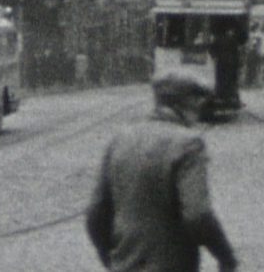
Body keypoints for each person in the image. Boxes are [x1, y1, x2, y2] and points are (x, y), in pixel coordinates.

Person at [85, 71, 238, 272]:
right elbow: (198, 215)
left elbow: (96, 213)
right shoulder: (188, 143)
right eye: (197, 103)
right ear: (186, 104)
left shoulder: (120, 139)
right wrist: (225, 257)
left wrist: (110, 258)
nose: (199, 111)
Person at [208, 27, 243, 108]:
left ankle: (220, 95)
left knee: (220, 79)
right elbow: (236, 53)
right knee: (229, 80)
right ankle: (229, 97)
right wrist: (238, 64)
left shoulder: (218, 39)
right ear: (229, 32)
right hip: (230, 64)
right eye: (231, 32)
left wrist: (215, 56)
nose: (231, 33)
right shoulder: (233, 41)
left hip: (221, 62)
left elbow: (211, 49)